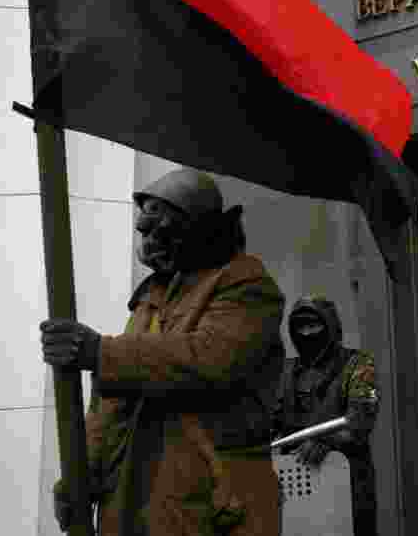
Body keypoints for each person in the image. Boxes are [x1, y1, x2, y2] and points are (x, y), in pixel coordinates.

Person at [40, 168, 285, 535]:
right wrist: (81, 474)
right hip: (136, 504)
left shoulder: (246, 285)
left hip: (210, 507)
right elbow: (113, 403)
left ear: (197, 228)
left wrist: (101, 352)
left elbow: (208, 360)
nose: (151, 243)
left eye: (162, 232)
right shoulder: (151, 297)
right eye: (146, 232)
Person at [273, 296, 379, 536]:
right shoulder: (286, 371)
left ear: (331, 326)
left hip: (346, 477)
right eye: (300, 327)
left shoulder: (358, 364)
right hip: (295, 478)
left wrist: (327, 440)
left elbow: (361, 420)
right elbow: (270, 423)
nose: (307, 334)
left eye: (314, 325)